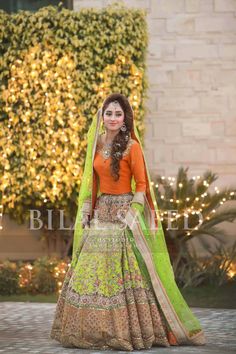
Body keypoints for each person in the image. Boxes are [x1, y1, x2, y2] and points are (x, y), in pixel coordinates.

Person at [50, 93, 206, 351]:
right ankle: (92, 330)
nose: (112, 118)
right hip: (101, 213)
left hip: (123, 214)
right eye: (108, 113)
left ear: (125, 119)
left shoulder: (132, 147)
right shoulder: (97, 143)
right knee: (90, 271)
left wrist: (132, 212)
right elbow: (93, 181)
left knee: (125, 272)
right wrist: (88, 210)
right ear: (102, 116)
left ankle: (127, 331)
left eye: (117, 113)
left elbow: (142, 184)